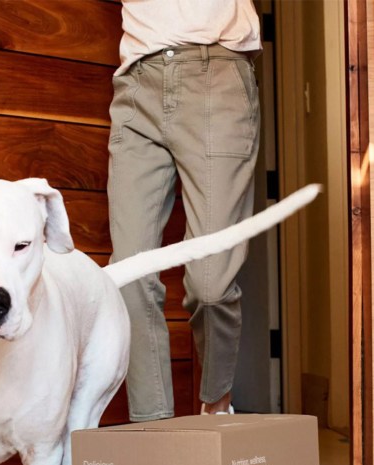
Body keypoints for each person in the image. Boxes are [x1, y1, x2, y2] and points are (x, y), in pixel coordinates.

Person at [107, 0, 262, 419]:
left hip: (217, 72)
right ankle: (155, 435)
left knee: (210, 283)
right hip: (136, 84)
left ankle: (217, 405)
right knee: (129, 275)